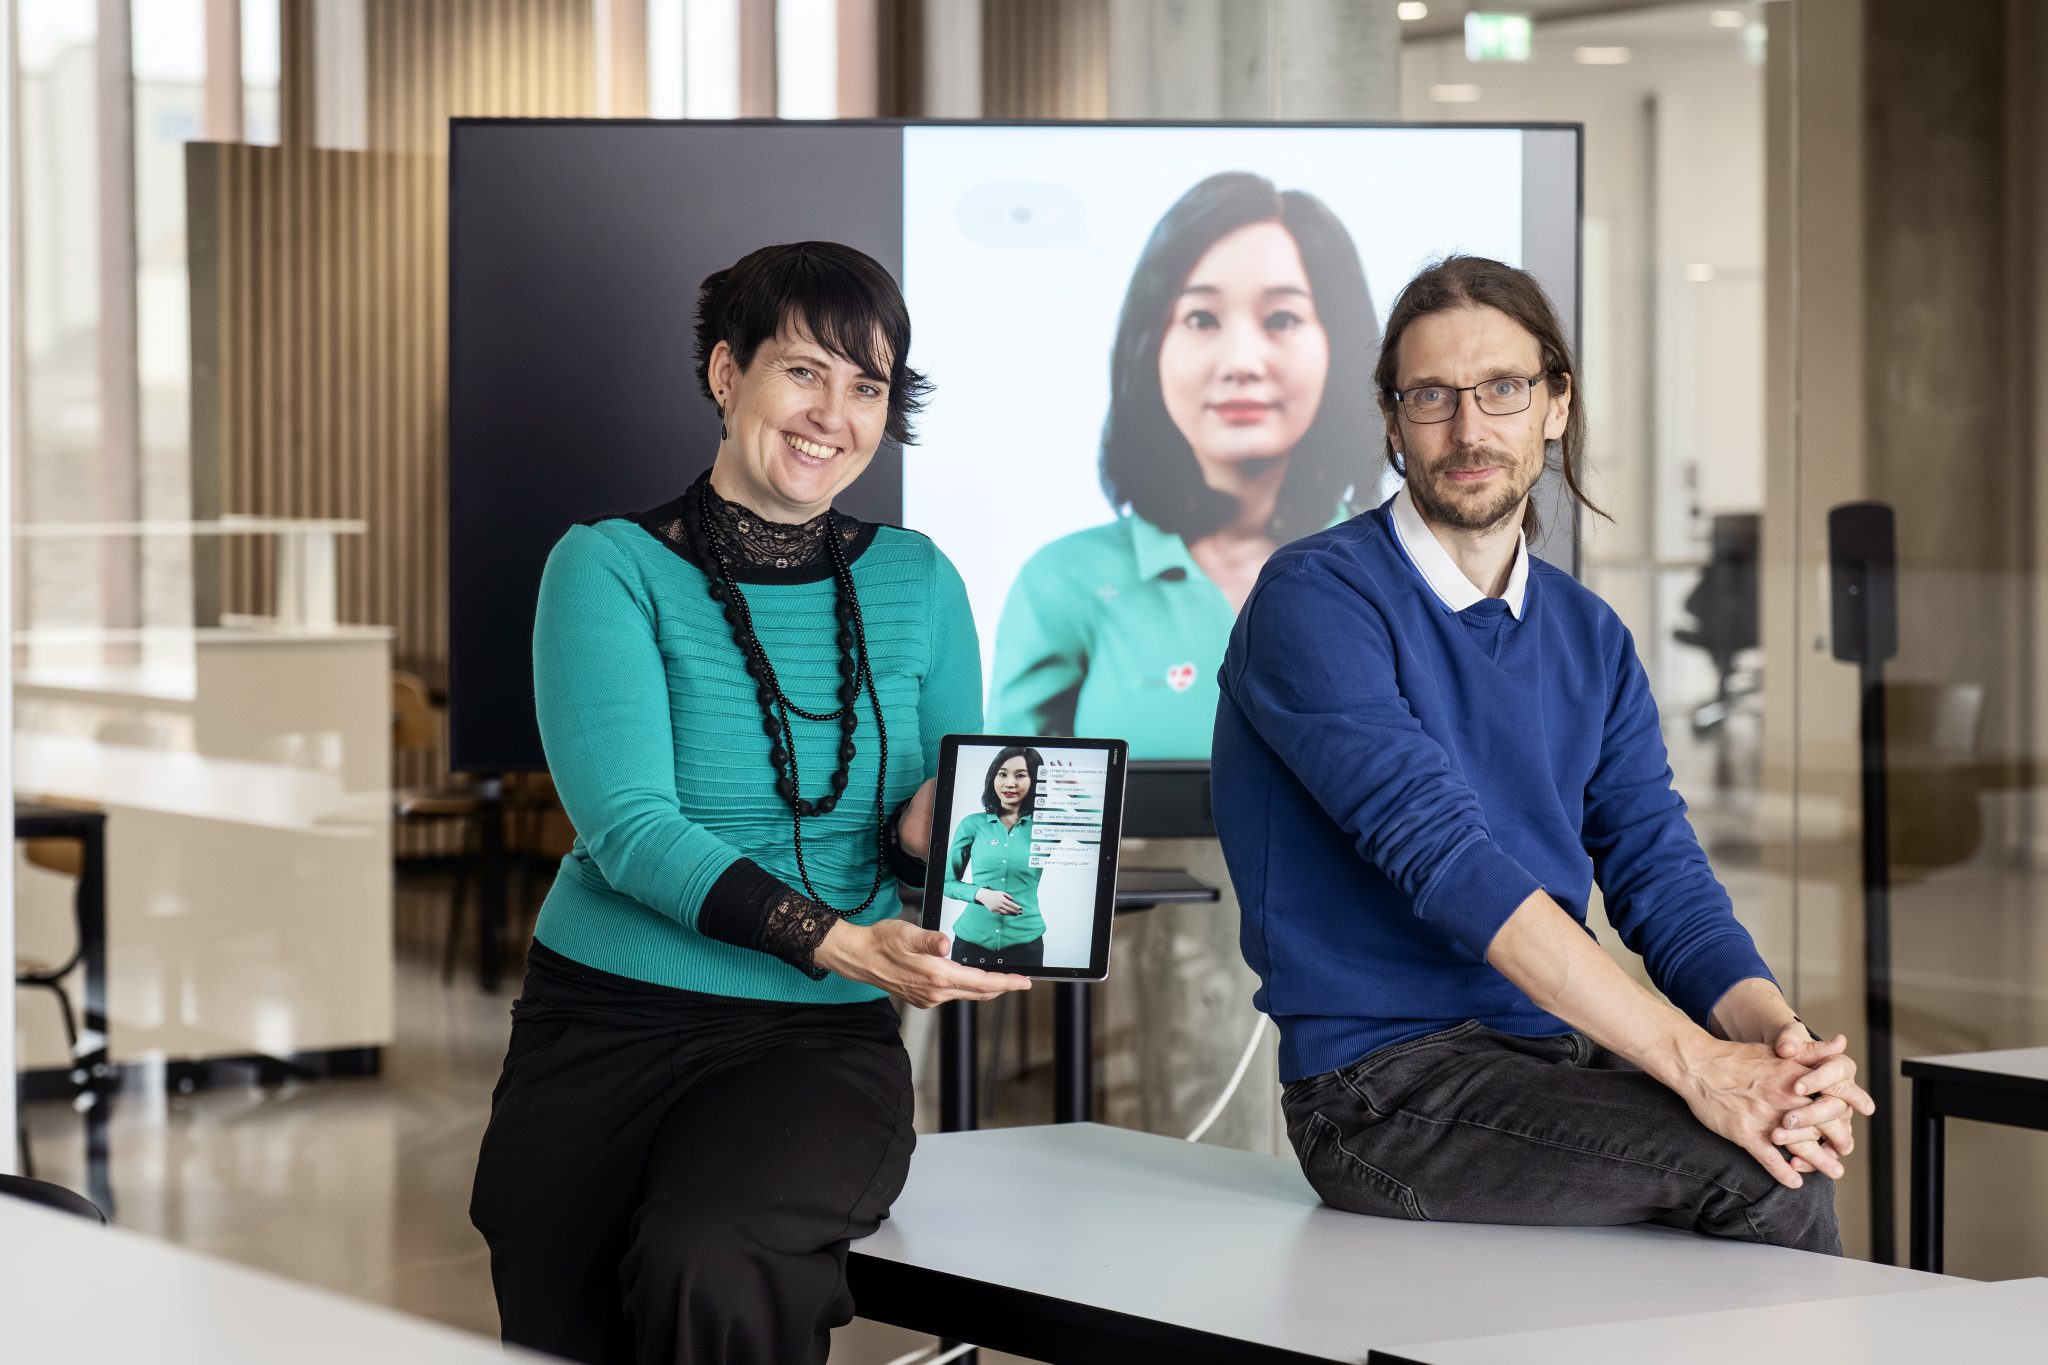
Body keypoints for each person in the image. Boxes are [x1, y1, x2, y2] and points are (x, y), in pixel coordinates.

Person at [1211, 255, 1873, 1253]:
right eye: (1430, 397)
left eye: (1502, 391)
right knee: (1759, 1178)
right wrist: (1693, 1065)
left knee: (1780, 1136)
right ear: (1390, 422)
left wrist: (1776, 1043)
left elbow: (1661, 879)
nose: (1468, 429)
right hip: (1382, 1091)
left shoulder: (1586, 634)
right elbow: (1448, 863)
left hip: (1546, 1057)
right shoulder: (1315, 598)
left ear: (1553, 405)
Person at [469, 240, 1031, 1365]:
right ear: (727, 376)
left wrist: (946, 836)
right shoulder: (608, 567)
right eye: (804, 371)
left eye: (867, 386)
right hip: (606, 1018)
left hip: (812, 1042)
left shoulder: (920, 579)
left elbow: (938, 815)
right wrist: (834, 939)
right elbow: (628, 828)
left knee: (708, 1262)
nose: (834, 414)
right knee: (562, 1316)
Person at [987, 171, 1381, 756]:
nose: (1241, 362)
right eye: (1201, 319)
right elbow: (1004, 827)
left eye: (1281, 319)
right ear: (1150, 346)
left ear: (1339, 346)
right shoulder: (1061, 583)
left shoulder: (1392, 575)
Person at [943, 746, 1047, 969]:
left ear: (1035, 780)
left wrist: (1074, 794)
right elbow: (945, 883)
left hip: (1026, 942)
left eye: (1020, 775)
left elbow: (1101, 835)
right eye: (1002, 774)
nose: (1009, 783)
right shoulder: (972, 824)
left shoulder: (1045, 826)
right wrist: (981, 894)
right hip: (971, 940)